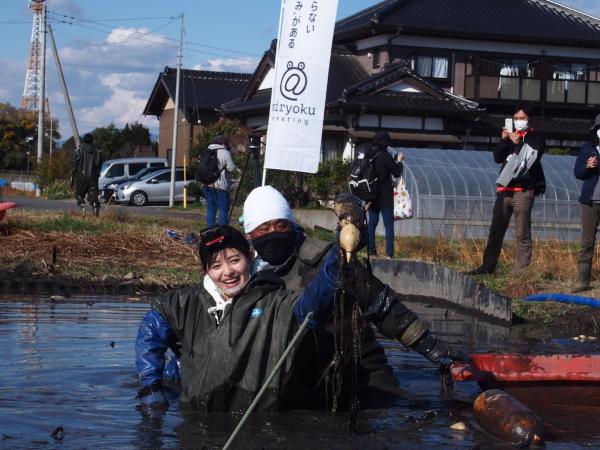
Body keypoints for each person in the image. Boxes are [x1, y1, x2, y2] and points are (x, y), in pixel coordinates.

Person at [136, 224, 467, 412]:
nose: (228, 272)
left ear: (248, 258)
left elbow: (305, 308)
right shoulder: (187, 301)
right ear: (206, 269)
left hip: (250, 406)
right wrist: (151, 384)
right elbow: (154, 324)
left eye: (234, 260)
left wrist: (336, 266)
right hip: (200, 402)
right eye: (216, 265)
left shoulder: (270, 297)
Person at [468, 103, 545, 275]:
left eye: (522, 118)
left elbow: (533, 157)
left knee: (522, 232)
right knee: (496, 229)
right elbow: (497, 157)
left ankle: (521, 271)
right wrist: (504, 140)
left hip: (524, 190)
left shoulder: (536, 137)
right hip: (505, 190)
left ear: (529, 120)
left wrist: (520, 142)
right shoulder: (509, 137)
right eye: (516, 118)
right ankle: (487, 267)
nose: (519, 121)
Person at [364, 131, 404, 258]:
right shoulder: (386, 156)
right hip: (385, 196)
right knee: (388, 224)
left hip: (372, 196)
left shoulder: (369, 156)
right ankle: (389, 254)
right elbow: (397, 172)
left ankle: (371, 251)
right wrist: (398, 161)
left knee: (372, 223)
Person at [573, 113, 600, 292]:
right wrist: (588, 167)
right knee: (587, 240)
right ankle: (583, 280)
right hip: (591, 200)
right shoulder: (587, 148)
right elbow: (578, 172)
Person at [202, 135, 236, 226]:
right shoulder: (225, 153)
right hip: (220, 185)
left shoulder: (207, 151)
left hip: (207, 184)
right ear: (223, 144)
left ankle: (210, 230)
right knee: (223, 209)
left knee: (211, 208)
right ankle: (223, 231)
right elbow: (231, 168)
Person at [70, 133, 101, 217]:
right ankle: (95, 209)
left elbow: (74, 164)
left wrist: (72, 177)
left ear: (83, 140)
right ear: (92, 141)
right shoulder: (97, 151)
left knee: (79, 194)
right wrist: (97, 175)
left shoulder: (79, 150)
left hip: (81, 177)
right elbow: (98, 165)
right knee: (93, 197)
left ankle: (82, 207)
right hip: (93, 177)